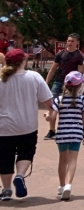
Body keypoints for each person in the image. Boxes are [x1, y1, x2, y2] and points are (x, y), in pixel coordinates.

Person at [0, 48, 54, 201]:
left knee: (5, 158)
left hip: (4, 126)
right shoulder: (34, 77)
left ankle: (6, 190)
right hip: (27, 125)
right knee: (26, 152)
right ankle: (20, 175)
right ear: (22, 61)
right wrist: (51, 113)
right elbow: (49, 101)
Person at [52, 71, 84, 200]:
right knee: (73, 159)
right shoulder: (83, 100)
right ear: (80, 86)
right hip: (77, 133)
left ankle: (61, 185)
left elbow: (52, 117)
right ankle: (69, 184)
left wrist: (49, 121)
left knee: (62, 161)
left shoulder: (59, 99)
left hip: (62, 133)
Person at [44, 34, 84, 139]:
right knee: (52, 105)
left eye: (72, 41)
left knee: (70, 105)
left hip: (71, 84)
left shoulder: (79, 56)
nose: (70, 43)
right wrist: (46, 82)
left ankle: (72, 129)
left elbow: (79, 72)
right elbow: (53, 69)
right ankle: (52, 130)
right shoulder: (60, 54)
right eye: (68, 41)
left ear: (77, 43)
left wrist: (79, 84)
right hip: (58, 82)